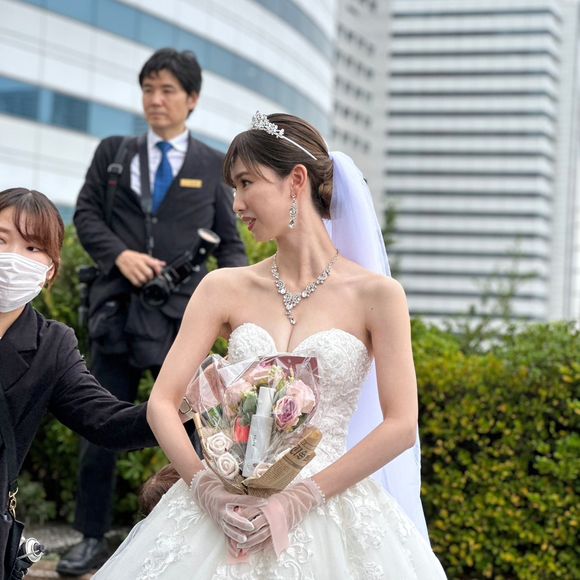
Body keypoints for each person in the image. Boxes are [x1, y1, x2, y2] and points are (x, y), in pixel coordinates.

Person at [94, 113, 447, 578]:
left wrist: (301, 498)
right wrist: (206, 490)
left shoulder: (378, 295)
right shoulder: (222, 287)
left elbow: (401, 425)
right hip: (222, 506)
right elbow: (163, 402)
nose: (236, 203)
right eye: (233, 188)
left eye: (246, 183)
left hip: (329, 506)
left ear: (295, 180)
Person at [61, 48, 248, 575]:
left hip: (181, 322)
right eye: (148, 89)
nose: (155, 99)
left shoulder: (212, 165)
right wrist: (119, 255)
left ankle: (189, 534)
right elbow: (85, 214)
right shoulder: (113, 153)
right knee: (99, 426)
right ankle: (90, 537)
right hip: (117, 315)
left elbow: (231, 245)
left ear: (192, 99)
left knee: (197, 429)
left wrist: (238, 313)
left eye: (167, 90)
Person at [0, 188, 170, 580]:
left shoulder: (51, 345)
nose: (12, 258)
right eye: (1, 239)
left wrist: (188, 408)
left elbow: (107, 422)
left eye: (32, 247)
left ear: (51, 270)